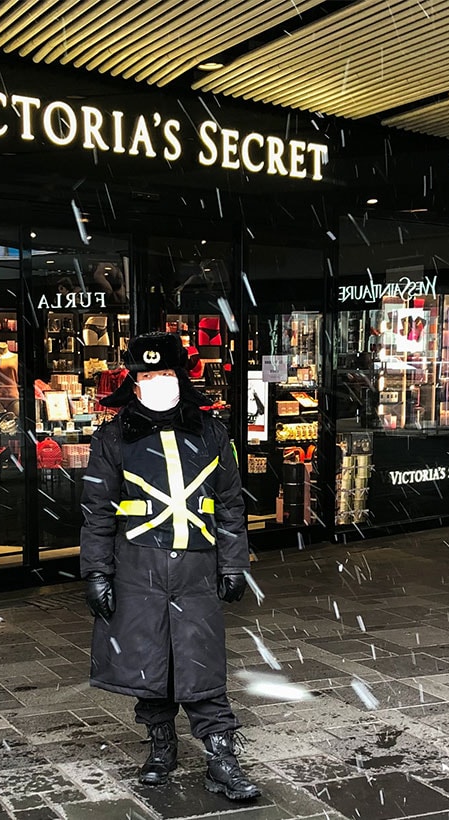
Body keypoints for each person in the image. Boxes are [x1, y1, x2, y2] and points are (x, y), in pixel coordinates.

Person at [79, 332, 259, 801]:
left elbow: (230, 504)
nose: (157, 381)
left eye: (164, 372)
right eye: (148, 374)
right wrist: (96, 571)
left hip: (196, 570)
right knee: (148, 661)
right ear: (134, 382)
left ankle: (221, 758)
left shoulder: (211, 432)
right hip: (137, 570)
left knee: (201, 664)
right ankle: (161, 745)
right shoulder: (112, 437)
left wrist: (233, 563)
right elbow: (97, 511)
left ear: (180, 376)